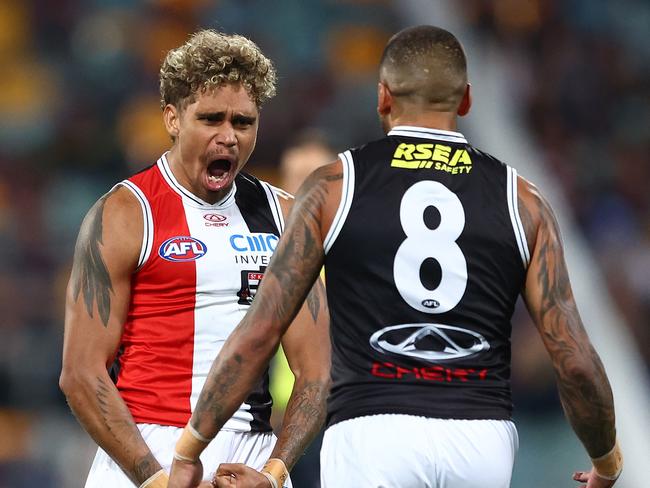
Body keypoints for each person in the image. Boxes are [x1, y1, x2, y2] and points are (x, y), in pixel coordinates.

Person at [168, 25, 623, 488]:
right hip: (481, 440)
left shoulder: (333, 187)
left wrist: (189, 449)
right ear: (465, 100)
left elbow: (260, 330)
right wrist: (606, 461)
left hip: (371, 432)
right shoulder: (523, 201)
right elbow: (575, 361)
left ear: (383, 96)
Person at [59, 29, 330, 488]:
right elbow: (81, 374)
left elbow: (317, 371)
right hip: (144, 452)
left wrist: (274, 473)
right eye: (211, 119)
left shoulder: (288, 219)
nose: (228, 137)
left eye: (243, 123)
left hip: (250, 458)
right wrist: (154, 478)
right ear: (172, 118)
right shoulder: (125, 214)